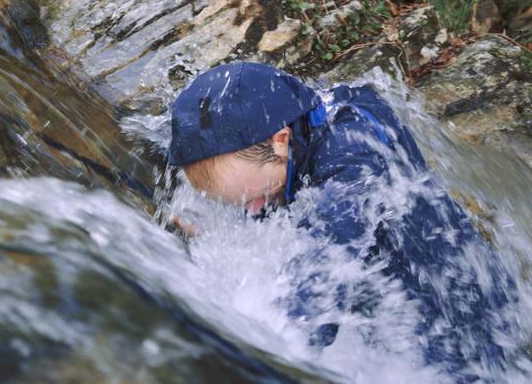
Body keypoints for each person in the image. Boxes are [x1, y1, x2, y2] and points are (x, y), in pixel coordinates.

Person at [167, 61, 517, 380]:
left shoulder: (354, 151)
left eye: (255, 199)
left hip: (463, 332)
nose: (254, 210)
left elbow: (326, 267)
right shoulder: (295, 116)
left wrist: (265, 359)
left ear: (280, 143)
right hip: (385, 311)